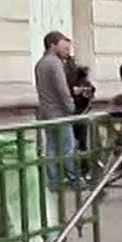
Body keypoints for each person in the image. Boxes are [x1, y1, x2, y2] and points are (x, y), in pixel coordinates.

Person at [35, 31, 79, 190]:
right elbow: (62, 88)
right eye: (64, 47)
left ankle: (53, 181)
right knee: (68, 146)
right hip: (59, 112)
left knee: (51, 147)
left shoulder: (40, 63)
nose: (67, 50)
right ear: (52, 45)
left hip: (46, 112)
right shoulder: (55, 63)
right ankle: (73, 178)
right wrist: (70, 106)